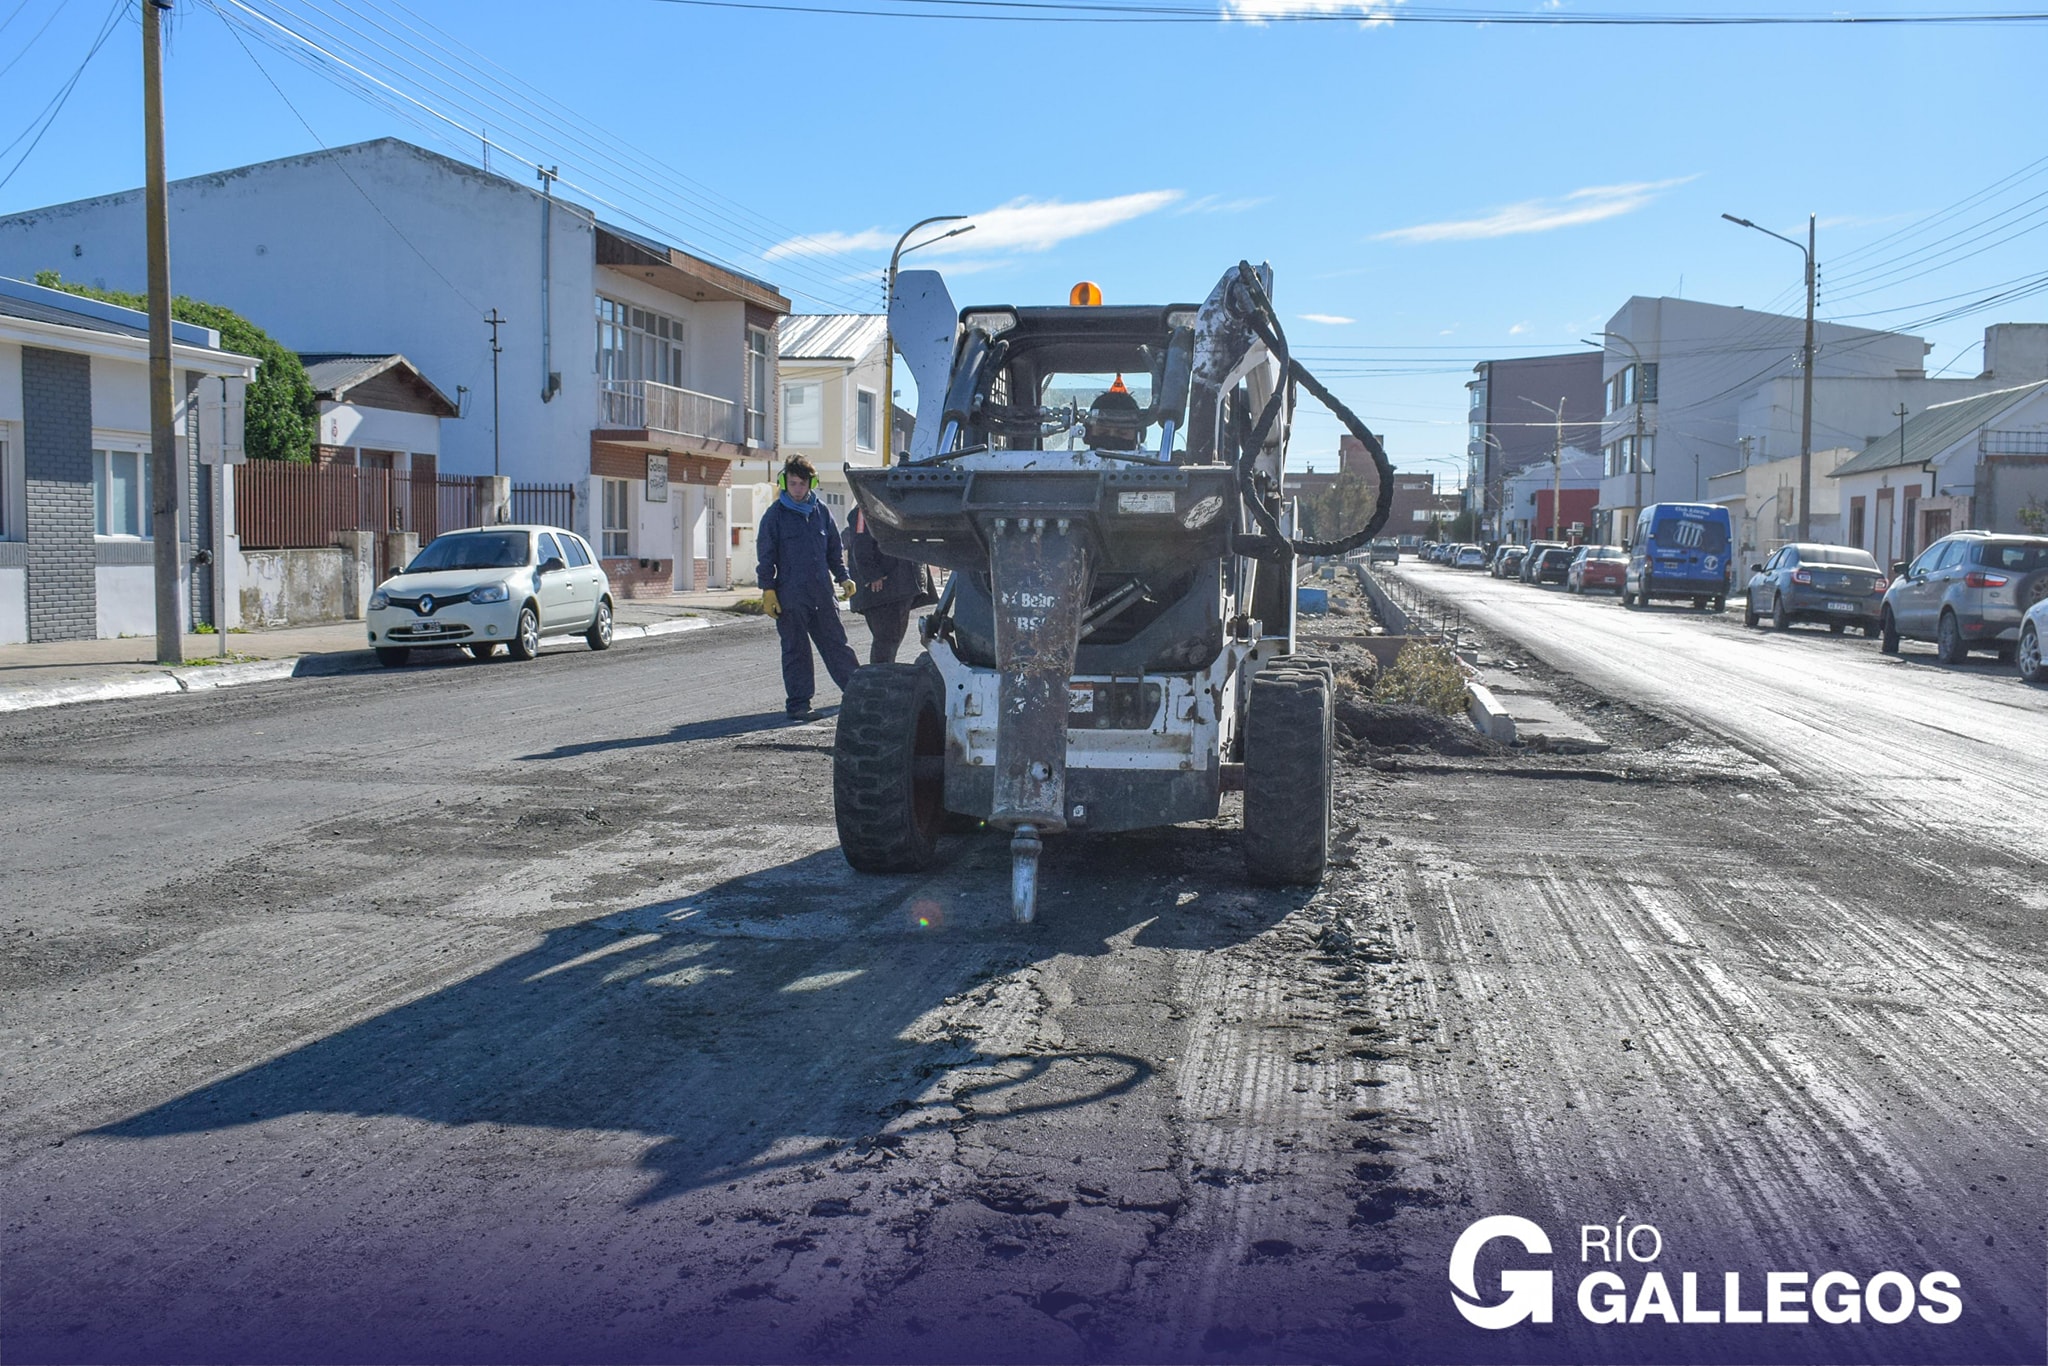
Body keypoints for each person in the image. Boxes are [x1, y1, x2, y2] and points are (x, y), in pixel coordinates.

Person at [756, 456, 859, 721]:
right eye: (792, 483)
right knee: (796, 650)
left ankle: (859, 696)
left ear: (811, 483)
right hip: (790, 596)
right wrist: (768, 590)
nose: (798, 489)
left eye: (802, 484)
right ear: (784, 482)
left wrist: (843, 577)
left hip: (822, 594)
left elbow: (834, 551)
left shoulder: (821, 512)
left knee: (837, 646)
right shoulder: (774, 516)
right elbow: (766, 557)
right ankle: (799, 705)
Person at [844, 505, 924, 665]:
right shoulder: (864, 510)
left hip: (900, 586)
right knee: (886, 640)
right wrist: (872, 575)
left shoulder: (896, 505)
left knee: (892, 638)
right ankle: (879, 680)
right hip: (883, 589)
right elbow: (860, 545)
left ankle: (883, 673)